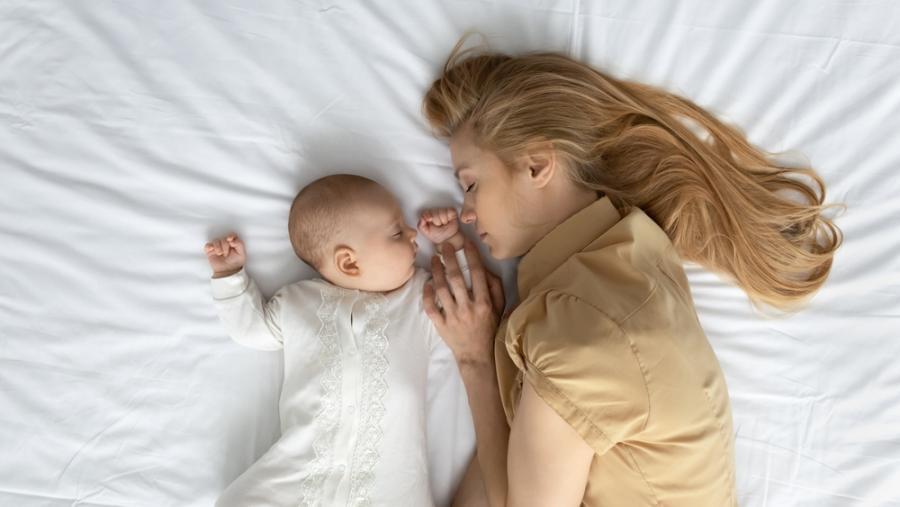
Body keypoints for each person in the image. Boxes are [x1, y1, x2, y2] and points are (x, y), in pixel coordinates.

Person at [420, 40, 842, 507]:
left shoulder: (579, 337)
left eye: (471, 185)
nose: (467, 212)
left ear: (537, 166)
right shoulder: (634, 257)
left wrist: (476, 360)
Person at [203, 174, 477, 506]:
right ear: (348, 261)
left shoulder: (419, 299)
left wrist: (450, 243)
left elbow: (465, 300)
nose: (412, 233)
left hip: (389, 489)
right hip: (299, 475)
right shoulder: (298, 303)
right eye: (396, 232)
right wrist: (229, 277)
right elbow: (252, 330)